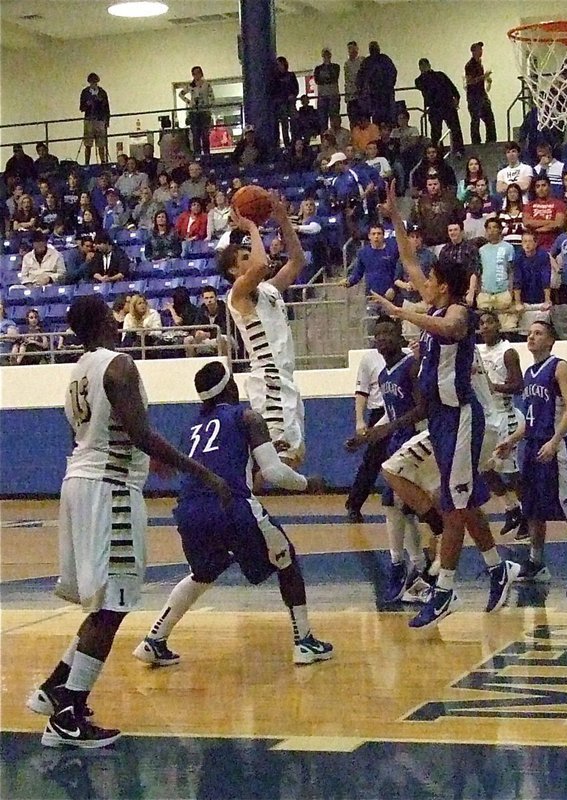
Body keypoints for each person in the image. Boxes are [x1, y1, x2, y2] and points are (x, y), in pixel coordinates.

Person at [26, 295, 230, 748]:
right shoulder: (118, 364)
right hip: (110, 488)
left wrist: (142, 453)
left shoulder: (75, 373)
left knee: (102, 603)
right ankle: (69, 714)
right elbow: (140, 434)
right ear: (102, 320)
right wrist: (202, 471)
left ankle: (55, 688)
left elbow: (85, 434)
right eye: (111, 314)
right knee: (114, 603)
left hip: (79, 479)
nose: (119, 321)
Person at [368, 181, 518, 627]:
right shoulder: (435, 304)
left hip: (462, 418)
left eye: (430, 282)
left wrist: (401, 315)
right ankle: (497, 567)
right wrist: (395, 218)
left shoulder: (459, 313)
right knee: (459, 501)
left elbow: (450, 331)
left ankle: (445, 588)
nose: (422, 283)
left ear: (445, 286)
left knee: (455, 506)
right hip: (439, 421)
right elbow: (411, 259)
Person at [132, 361, 332, 667]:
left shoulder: (192, 428)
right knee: (286, 558)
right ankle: (305, 642)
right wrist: (308, 483)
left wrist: (256, 453)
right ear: (231, 387)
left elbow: (226, 462)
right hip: (229, 505)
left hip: (189, 510)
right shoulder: (247, 416)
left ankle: (154, 640)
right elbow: (274, 473)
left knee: (205, 572)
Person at [496, 320, 567, 593]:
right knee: (533, 509)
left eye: (538, 333)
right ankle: (537, 563)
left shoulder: (559, 366)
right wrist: (512, 441)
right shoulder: (528, 373)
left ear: (550, 341)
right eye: (529, 333)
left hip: (554, 448)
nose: (531, 337)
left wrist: (554, 441)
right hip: (532, 446)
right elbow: (529, 417)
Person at [218, 199, 307, 466]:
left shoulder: (267, 289)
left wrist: (282, 218)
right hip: (269, 377)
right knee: (277, 460)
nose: (252, 257)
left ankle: (246, 503)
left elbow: (297, 260)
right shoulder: (237, 293)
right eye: (244, 257)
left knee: (292, 456)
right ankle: (244, 505)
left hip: (283, 377)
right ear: (233, 270)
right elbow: (260, 266)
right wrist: (253, 228)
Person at [345, 318, 427, 603]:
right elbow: (387, 415)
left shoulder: (411, 366)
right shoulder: (383, 376)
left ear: (399, 336)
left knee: (395, 503)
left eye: (388, 333)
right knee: (399, 506)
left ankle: (401, 565)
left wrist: (388, 429)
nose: (382, 338)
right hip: (395, 441)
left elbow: (422, 408)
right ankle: (416, 566)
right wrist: (365, 436)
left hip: (416, 439)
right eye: (378, 334)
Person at [478, 311, 526, 539]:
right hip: (487, 417)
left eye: (490, 322)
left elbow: (518, 385)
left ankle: (528, 513)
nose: (485, 326)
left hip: (506, 416)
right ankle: (511, 508)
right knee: (484, 467)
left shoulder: (507, 352)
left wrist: (493, 386)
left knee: (511, 472)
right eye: (482, 323)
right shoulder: (477, 352)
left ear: (498, 325)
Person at [344, 344, 388, 523]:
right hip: (379, 412)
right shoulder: (369, 358)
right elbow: (361, 392)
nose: (385, 338)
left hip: (401, 410)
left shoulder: (408, 356)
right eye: (380, 334)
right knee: (372, 462)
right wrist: (360, 420)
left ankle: (415, 505)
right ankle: (354, 504)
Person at [415, 58, 464, 156]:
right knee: (436, 131)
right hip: (434, 107)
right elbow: (424, 86)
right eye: (422, 66)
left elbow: (451, 86)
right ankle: (437, 152)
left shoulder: (440, 75)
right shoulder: (419, 80)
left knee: (455, 128)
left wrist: (457, 97)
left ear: (429, 65)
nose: (424, 67)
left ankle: (459, 149)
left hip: (447, 104)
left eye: (425, 65)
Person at [477, 217, 517, 331]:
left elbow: (511, 271)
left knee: (507, 327)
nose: (491, 230)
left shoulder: (508, 248)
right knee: (486, 326)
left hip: (503, 292)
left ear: (500, 230)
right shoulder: (481, 250)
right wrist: (479, 291)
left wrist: (511, 292)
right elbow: (479, 271)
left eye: (494, 227)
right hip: (486, 293)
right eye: (489, 228)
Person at [409, 176, 463, 248]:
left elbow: (460, 217)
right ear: (426, 186)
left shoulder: (451, 200)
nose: (433, 187)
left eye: (435, 184)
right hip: (427, 243)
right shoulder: (420, 203)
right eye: (430, 185)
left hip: (447, 242)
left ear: (440, 184)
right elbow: (414, 220)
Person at [438, 219, 481, 307]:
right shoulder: (444, 250)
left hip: (466, 290)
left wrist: (471, 292)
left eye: (455, 230)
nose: (453, 232)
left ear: (461, 231)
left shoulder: (470, 248)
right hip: (449, 292)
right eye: (450, 230)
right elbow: (440, 273)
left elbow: (475, 271)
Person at [356, 41, 397, 125]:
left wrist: (389, 85)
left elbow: (393, 72)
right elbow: (360, 78)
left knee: (387, 118)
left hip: (385, 94)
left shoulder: (383, 59)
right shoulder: (368, 62)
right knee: (378, 119)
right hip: (374, 95)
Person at [464, 42, 496, 145]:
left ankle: (491, 140)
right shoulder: (469, 65)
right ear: (473, 51)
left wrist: (486, 80)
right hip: (474, 96)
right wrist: (484, 77)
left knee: (489, 118)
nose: (481, 51)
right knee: (475, 119)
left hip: (481, 94)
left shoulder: (479, 64)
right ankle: (476, 142)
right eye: (478, 49)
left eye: (481, 49)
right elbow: (469, 81)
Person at [178, 66, 215, 157]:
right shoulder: (191, 85)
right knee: (196, 135)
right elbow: (181, 94)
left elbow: (212, 96)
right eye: (194, 73)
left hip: (204, 111)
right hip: (194, 112)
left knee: (205, 134)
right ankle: (197, 154)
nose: (196, 75)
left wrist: (209, 105)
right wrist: (189, 102)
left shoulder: (207, 84)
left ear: (201, 73)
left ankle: (207, 154)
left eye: (198, 72)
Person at [522, 176, 566, 251]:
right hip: (534, 246)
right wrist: (550, 222)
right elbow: (527, 223)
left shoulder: (559, 204)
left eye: (543, 185)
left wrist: (536, 228)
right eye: (537, 186)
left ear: (549, 187)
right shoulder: (529, 205)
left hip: (553, 245)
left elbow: (558, 224)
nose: (541, 189)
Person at [513, 230, 552, 311]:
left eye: (530, 241)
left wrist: (547, 300)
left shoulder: (543, 256)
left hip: (539, 292)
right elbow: (517, 280)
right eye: (524, 241)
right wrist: (517, 302)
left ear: (536, 243)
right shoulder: (518, 257)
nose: (527, 244)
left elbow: (545, 278)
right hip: (524, 295)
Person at [79, 73, 110, 165]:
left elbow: (107, 107)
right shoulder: (85, 92)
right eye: (92, 82)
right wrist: (87, 104)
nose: (93, 83)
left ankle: (103, 162)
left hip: (100, 119)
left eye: (95, 82)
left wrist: (107, 120)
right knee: (88, 143)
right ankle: (87, 162)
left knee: (101, 143)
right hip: (89, 119)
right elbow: (81, 107)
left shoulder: (102, 92)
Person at [272, 57, 299, 148]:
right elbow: (273, 90)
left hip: (290, 101)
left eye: (280, 64)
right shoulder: (275, 78)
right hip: (281, 103)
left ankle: (295, 139)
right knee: (284, 123)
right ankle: (287, 142)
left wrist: (293, 95)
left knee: (293, 121)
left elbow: (296, 88)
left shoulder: (291, 75)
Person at [313, 49, 340, 132]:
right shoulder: (318, 69)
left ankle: (335, 137)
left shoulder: (335, 67)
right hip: (323, 96)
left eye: (328, 55)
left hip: (333, 96)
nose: (326, 57)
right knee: (322, 120)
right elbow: (317, 80)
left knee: (334, 119)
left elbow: (334, 77)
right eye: (325, 55)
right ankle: (324, 139)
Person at [498, 183, 525, 251]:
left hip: (522, 244)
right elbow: (502, 230)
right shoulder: (503, 212)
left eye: (515, 192)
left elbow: (526, 227)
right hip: (506, 245)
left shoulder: (525, 210)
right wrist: (518, 226)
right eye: (510, 192)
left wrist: (509, 226)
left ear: (519, 194)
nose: (512, 194)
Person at [344, 41, 364, 124]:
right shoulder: (347, 64)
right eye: (349, 49)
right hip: (351, 96)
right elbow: (347, 79)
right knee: (353, 121)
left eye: (352, 48)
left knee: (363, 120)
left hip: (361, 95)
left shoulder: (362, 61)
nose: (351, 51)